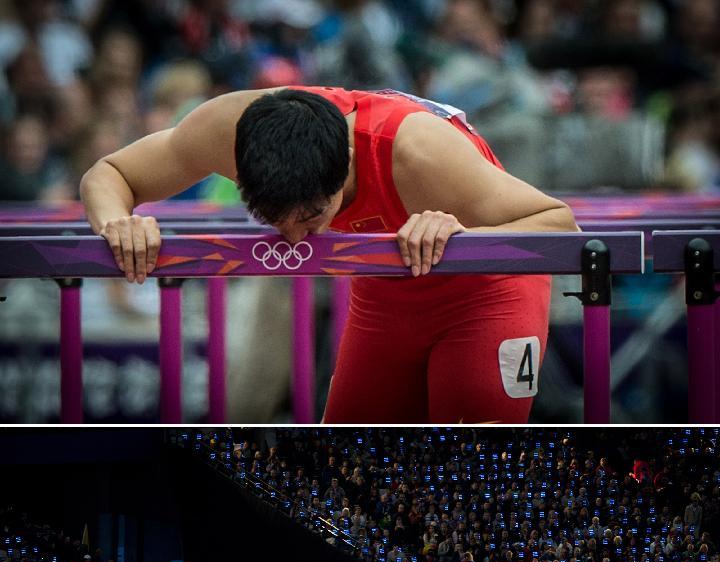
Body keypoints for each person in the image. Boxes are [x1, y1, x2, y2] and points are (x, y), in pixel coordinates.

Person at [80, 87, 577, 424]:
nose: (295, 240)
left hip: (485, 291)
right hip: (387, 287)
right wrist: (117, 224)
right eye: (276, 217)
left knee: (470, 468)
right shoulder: (226, 128)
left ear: (344, 171)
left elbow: (561, 224)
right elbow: (110, 173)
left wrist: (466, 235)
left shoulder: (418, 152)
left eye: (313, 215)